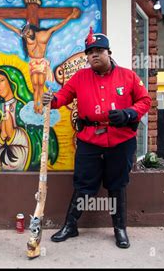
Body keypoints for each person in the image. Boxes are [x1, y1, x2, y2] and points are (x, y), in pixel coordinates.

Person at [42, 28, 152, 248]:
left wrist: (129, 113)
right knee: (83, 184)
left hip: (121, 140)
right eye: (90, 51)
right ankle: (70, 225)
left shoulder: (128, 76)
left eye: (99, 50)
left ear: (108, 52)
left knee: (117, 185)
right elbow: (63, 97)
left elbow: (145, 101)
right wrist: (51, 99)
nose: (94, 55)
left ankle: (119, 229)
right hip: (89, 140)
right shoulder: (80, 77)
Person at [0, 8, 80, 114]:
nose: (27, 35)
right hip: (34, 63)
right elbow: (12, 28)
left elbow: (58, 26)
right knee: (36, 85)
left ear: (31, 29)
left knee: (40, 84)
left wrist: (71, 16)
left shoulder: (44, 34)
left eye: (28, 32)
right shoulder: (26, 37)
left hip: (42, 62)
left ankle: (41, 106)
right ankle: (37, 107)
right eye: (25, 34)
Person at [0, 67, 59, 171]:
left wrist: (14, 134)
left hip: (21, 150)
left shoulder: (28, 106)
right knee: (4, 124)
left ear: (12, 81)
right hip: (1, 152)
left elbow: (40, 130)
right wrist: (0, 136)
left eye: (2, 80)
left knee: (8, 122)